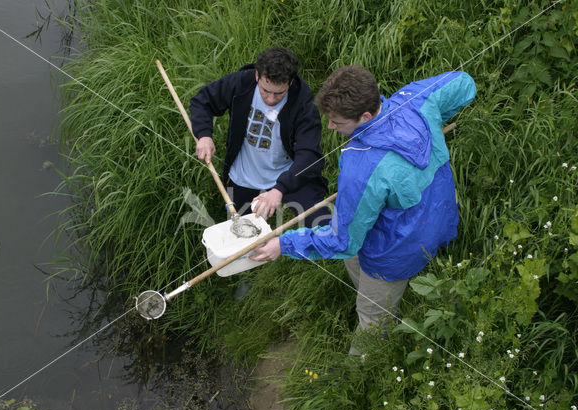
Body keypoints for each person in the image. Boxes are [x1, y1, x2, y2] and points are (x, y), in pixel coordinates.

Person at [252, 66, 476, 354]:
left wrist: (284, 244)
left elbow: (342, 240)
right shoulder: (414, 100)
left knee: (371, 320)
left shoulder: (362, 168)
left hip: (396, 250)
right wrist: (429, 123)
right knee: (357, 263)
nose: (330, 127)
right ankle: (377, 296)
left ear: (366, 116)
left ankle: (359, 377)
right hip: (438, 213)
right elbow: (464, 83)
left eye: (337, 122)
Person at [189, 46, 330, 227]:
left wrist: (280, 189)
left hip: (288, 173)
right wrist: (204, 135)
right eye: (265, 90)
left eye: (279, 93)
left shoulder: (303, 102)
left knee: (322, 223)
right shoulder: (241, 82)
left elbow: (309, 154)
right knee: (242, 234)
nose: (271, 99)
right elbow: (202, 101)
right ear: (257, 76)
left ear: (291, 82)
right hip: (244, 176)